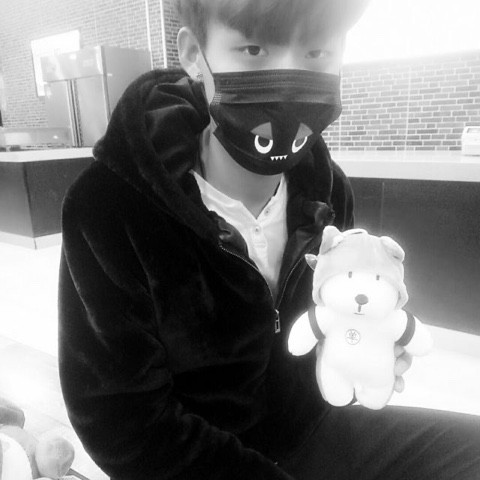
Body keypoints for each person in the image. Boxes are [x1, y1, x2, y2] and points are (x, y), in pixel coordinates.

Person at [58, 1, 480, 479]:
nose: (288, 80)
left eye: (317, 52)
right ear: (195, 54)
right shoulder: (111, 205)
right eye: (254, 49)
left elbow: (311, 338)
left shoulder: (328, 191)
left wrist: (350, 350)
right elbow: (122, 423)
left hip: (312, 432)